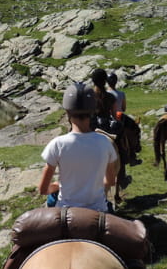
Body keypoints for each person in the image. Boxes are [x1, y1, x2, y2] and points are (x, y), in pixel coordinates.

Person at [38, 82, 118, 212]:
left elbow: (43, 189)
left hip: (66, 212)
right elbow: (110, 181)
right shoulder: (105, 142)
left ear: (67, 112)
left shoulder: (57, 144)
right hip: (98, 211)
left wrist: (58, 186)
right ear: (93, 111)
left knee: (51, 201)